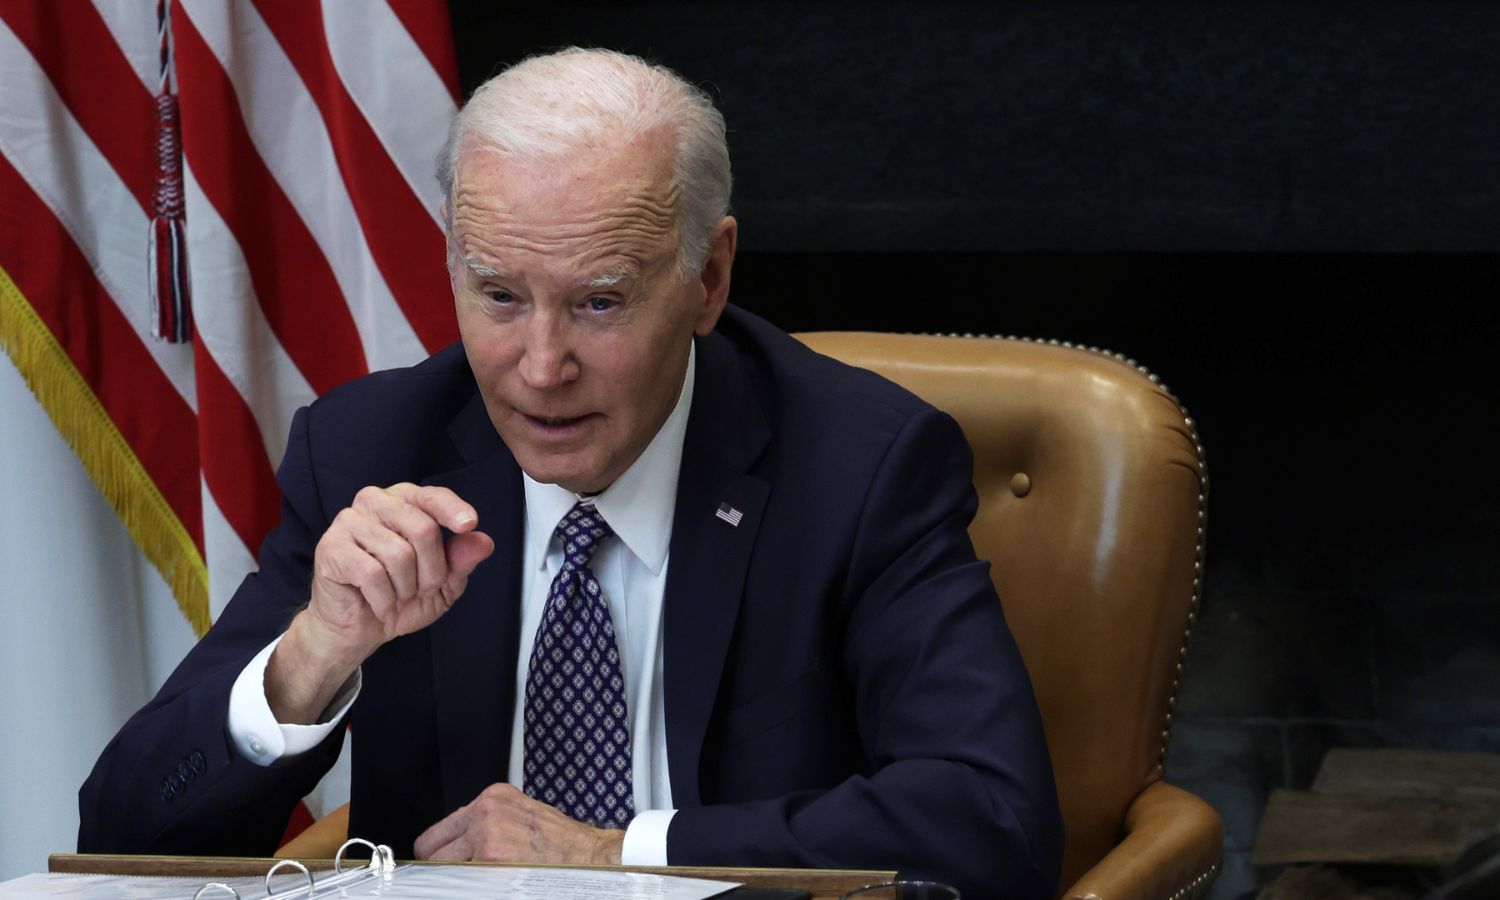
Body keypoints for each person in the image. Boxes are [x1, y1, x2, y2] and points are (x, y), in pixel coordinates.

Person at [78, 48, 1063, 898]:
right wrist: (310, 659)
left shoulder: (856, 467)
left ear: (707, 280)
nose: (540, 368)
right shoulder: (374, 451)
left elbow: (993, 821)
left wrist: (621, 856)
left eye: (598, 303)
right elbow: (120, 839)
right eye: (500, 295)